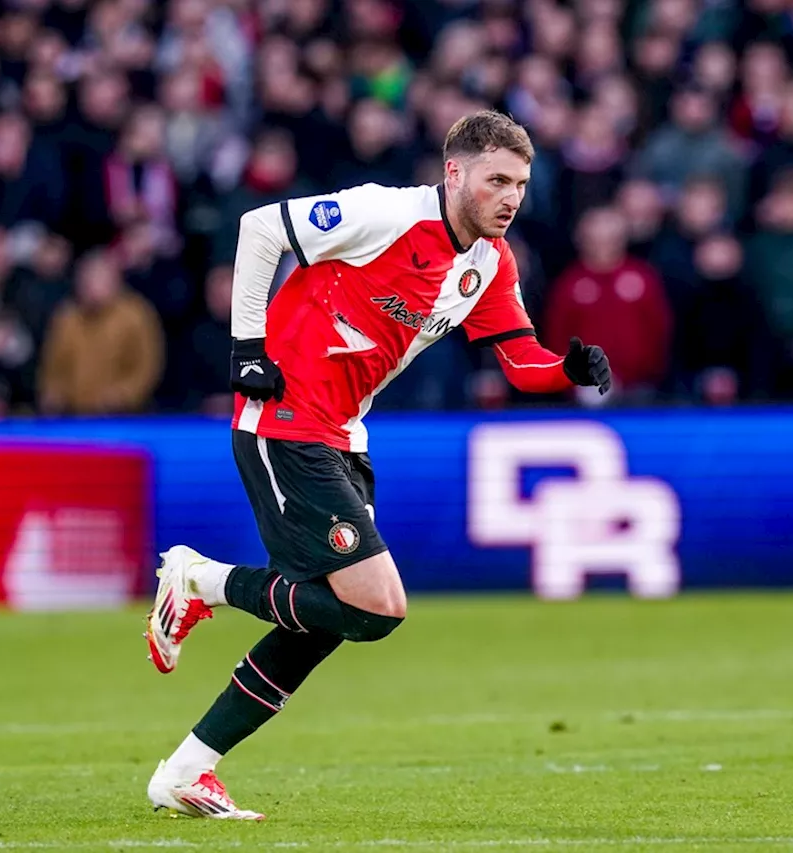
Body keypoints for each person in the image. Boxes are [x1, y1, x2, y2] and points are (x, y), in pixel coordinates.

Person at [142, 110, 612, 819]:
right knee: (378, 607)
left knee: (328, 620)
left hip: (344, 435)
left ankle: (186, 770)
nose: (511, 197)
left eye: (520, 183)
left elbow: (522, 360)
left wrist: (566, 368)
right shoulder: (383, 213)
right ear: (454, 173)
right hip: (285, 421)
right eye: (497, 180)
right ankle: (201, 578)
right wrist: (247, 348)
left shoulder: (489, 263)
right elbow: (261, 228)